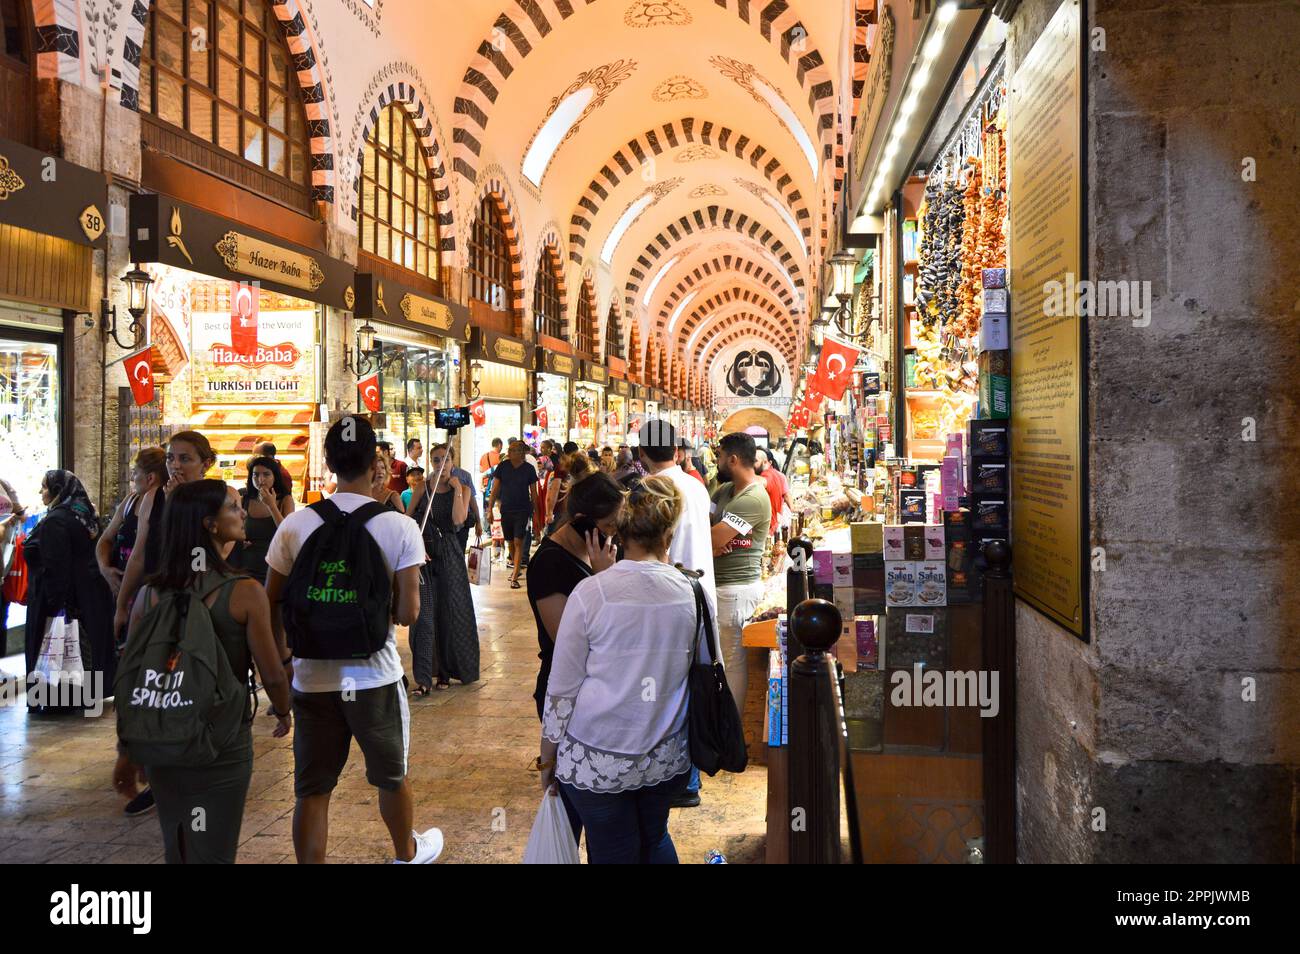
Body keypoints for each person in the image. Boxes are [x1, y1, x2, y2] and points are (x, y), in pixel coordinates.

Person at [264, 415, 442, 865]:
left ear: (328, 462)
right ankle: (406, 854)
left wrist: (285, 661)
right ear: (375, 463)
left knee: (312, 790)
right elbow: (408, 613)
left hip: (311, 677)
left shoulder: (295, 524)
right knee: (391, 777)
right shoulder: (398, 527)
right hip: (374, 678)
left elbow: (272, 602)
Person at [112, 480, 292, 864]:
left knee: (178, 843)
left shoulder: (149, 594)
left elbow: (133, 675)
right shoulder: (243, 591)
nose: (242, 512)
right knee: (214, 847)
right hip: (220, 741)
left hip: (164, 736)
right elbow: (272, 672)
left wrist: (128, 747)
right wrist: (283, 708)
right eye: (232, 507)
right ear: (210, 524)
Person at [538, 476, 707, 864]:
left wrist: (547, 760)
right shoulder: (692, 592)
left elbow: (562, 691)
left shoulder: (591, 593)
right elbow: (697, 670)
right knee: (655, 839)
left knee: (614, 850)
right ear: (668, 534)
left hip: (598, 760)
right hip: (666, 755)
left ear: (619, 534)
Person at [112, 430, 217, 816]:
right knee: (147, 684)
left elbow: (209, 559)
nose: (176, 465)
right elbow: (140, 555)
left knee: (189, 689)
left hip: (199, 607)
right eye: (172, 458)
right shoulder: (153, 499)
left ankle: (187, 771)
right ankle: (149, 768)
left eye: (186, 459)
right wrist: (124, 604)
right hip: (156, 601)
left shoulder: (217, 499)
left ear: (205, 463)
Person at [638, 420, 716, 809]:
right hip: (698, 595)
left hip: (667, 595)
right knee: (691, 685)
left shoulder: (651, 488)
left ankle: (680, 778)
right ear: (678, 451)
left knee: (668, 690)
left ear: (641, 454)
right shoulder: (697, 487)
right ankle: (689, 775)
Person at [22, 470, 117, 711]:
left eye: (45, 488)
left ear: (57, 490)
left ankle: (59, 699)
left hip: (65, 598)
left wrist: (53, 604)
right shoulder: (85, 513)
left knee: (61, 646)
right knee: (85, 646)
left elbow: (56, 566)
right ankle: (87, 694)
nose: (41, 492)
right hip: (91, 596)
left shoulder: (57, 520)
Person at [406, 444, 478, 693]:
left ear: (453, 463)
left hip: (449, 554)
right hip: (425, 553)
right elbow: (407, 519)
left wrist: (457, 490)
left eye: (445, 460)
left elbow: (458, 521)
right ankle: (426, 673)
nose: (440, 465)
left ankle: (446, 671)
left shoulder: (464, 488)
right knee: (425, 614)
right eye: (436, 460)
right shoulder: (422, 488)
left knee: (449, 612)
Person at [709, 432, 771, 720]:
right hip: (717, 586)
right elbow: (703, 526)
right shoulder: (723, 492)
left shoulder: (753, 499)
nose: (716, 461)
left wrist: (714, 540)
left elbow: (713, 539)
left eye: (720, 456)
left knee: (732, 662)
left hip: (735, 590)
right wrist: (712, 539)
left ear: (732, 459)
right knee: (721, 660)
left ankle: (731, 729)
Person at [95, 448, 167, 610]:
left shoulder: (168, 507)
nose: (132, 478)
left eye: (135, 473)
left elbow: (139, 557)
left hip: (148, 598)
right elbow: (105, 540)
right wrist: (105, 568)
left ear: (150, 478)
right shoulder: (130, 501)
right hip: (120, 594)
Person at [232, 456, 295, 585]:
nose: (260, 480)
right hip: (246, 565)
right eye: (255, 475)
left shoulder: (285, 500)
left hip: (275, 566)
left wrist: (271, 506)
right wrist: (239, 541)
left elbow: (287, 532)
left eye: (266, 474)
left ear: (275, 476)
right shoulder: (244, 500)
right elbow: (234, 530)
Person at [487, 441, 538, 590]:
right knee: (510, 542)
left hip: (523, 510)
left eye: (514, 450)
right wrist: (489, 509)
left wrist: (536, 514)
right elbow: (495, 489)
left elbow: (534, 494)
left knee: (518, 541)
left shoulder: (528, 469)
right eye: (510, 449)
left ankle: (515, 576)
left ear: (522, 453)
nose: (509, 452)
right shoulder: (503, 467)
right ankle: (516, 566)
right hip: (506, 510)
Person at [0, 474, 25, 638]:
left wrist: (16, 514)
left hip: (4, 563)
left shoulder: (3, 483)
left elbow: (20, 512)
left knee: (2, 614)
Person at [756, 448, 792, 540]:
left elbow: (762, 482)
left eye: (755, 461)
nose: (751, 464)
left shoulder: (767, 475)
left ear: (766, 462)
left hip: (768, 529)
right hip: (773, 525)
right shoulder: (776, 474)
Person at [448, 444, 479, 551]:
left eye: (446, 458)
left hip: (462, 525)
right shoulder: (433, 477)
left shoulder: (464, 475)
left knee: (460, 553)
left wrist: (478, 522)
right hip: (443, 525)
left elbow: (472, 501)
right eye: (437, 459)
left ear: (452, 459)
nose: (442, 463)